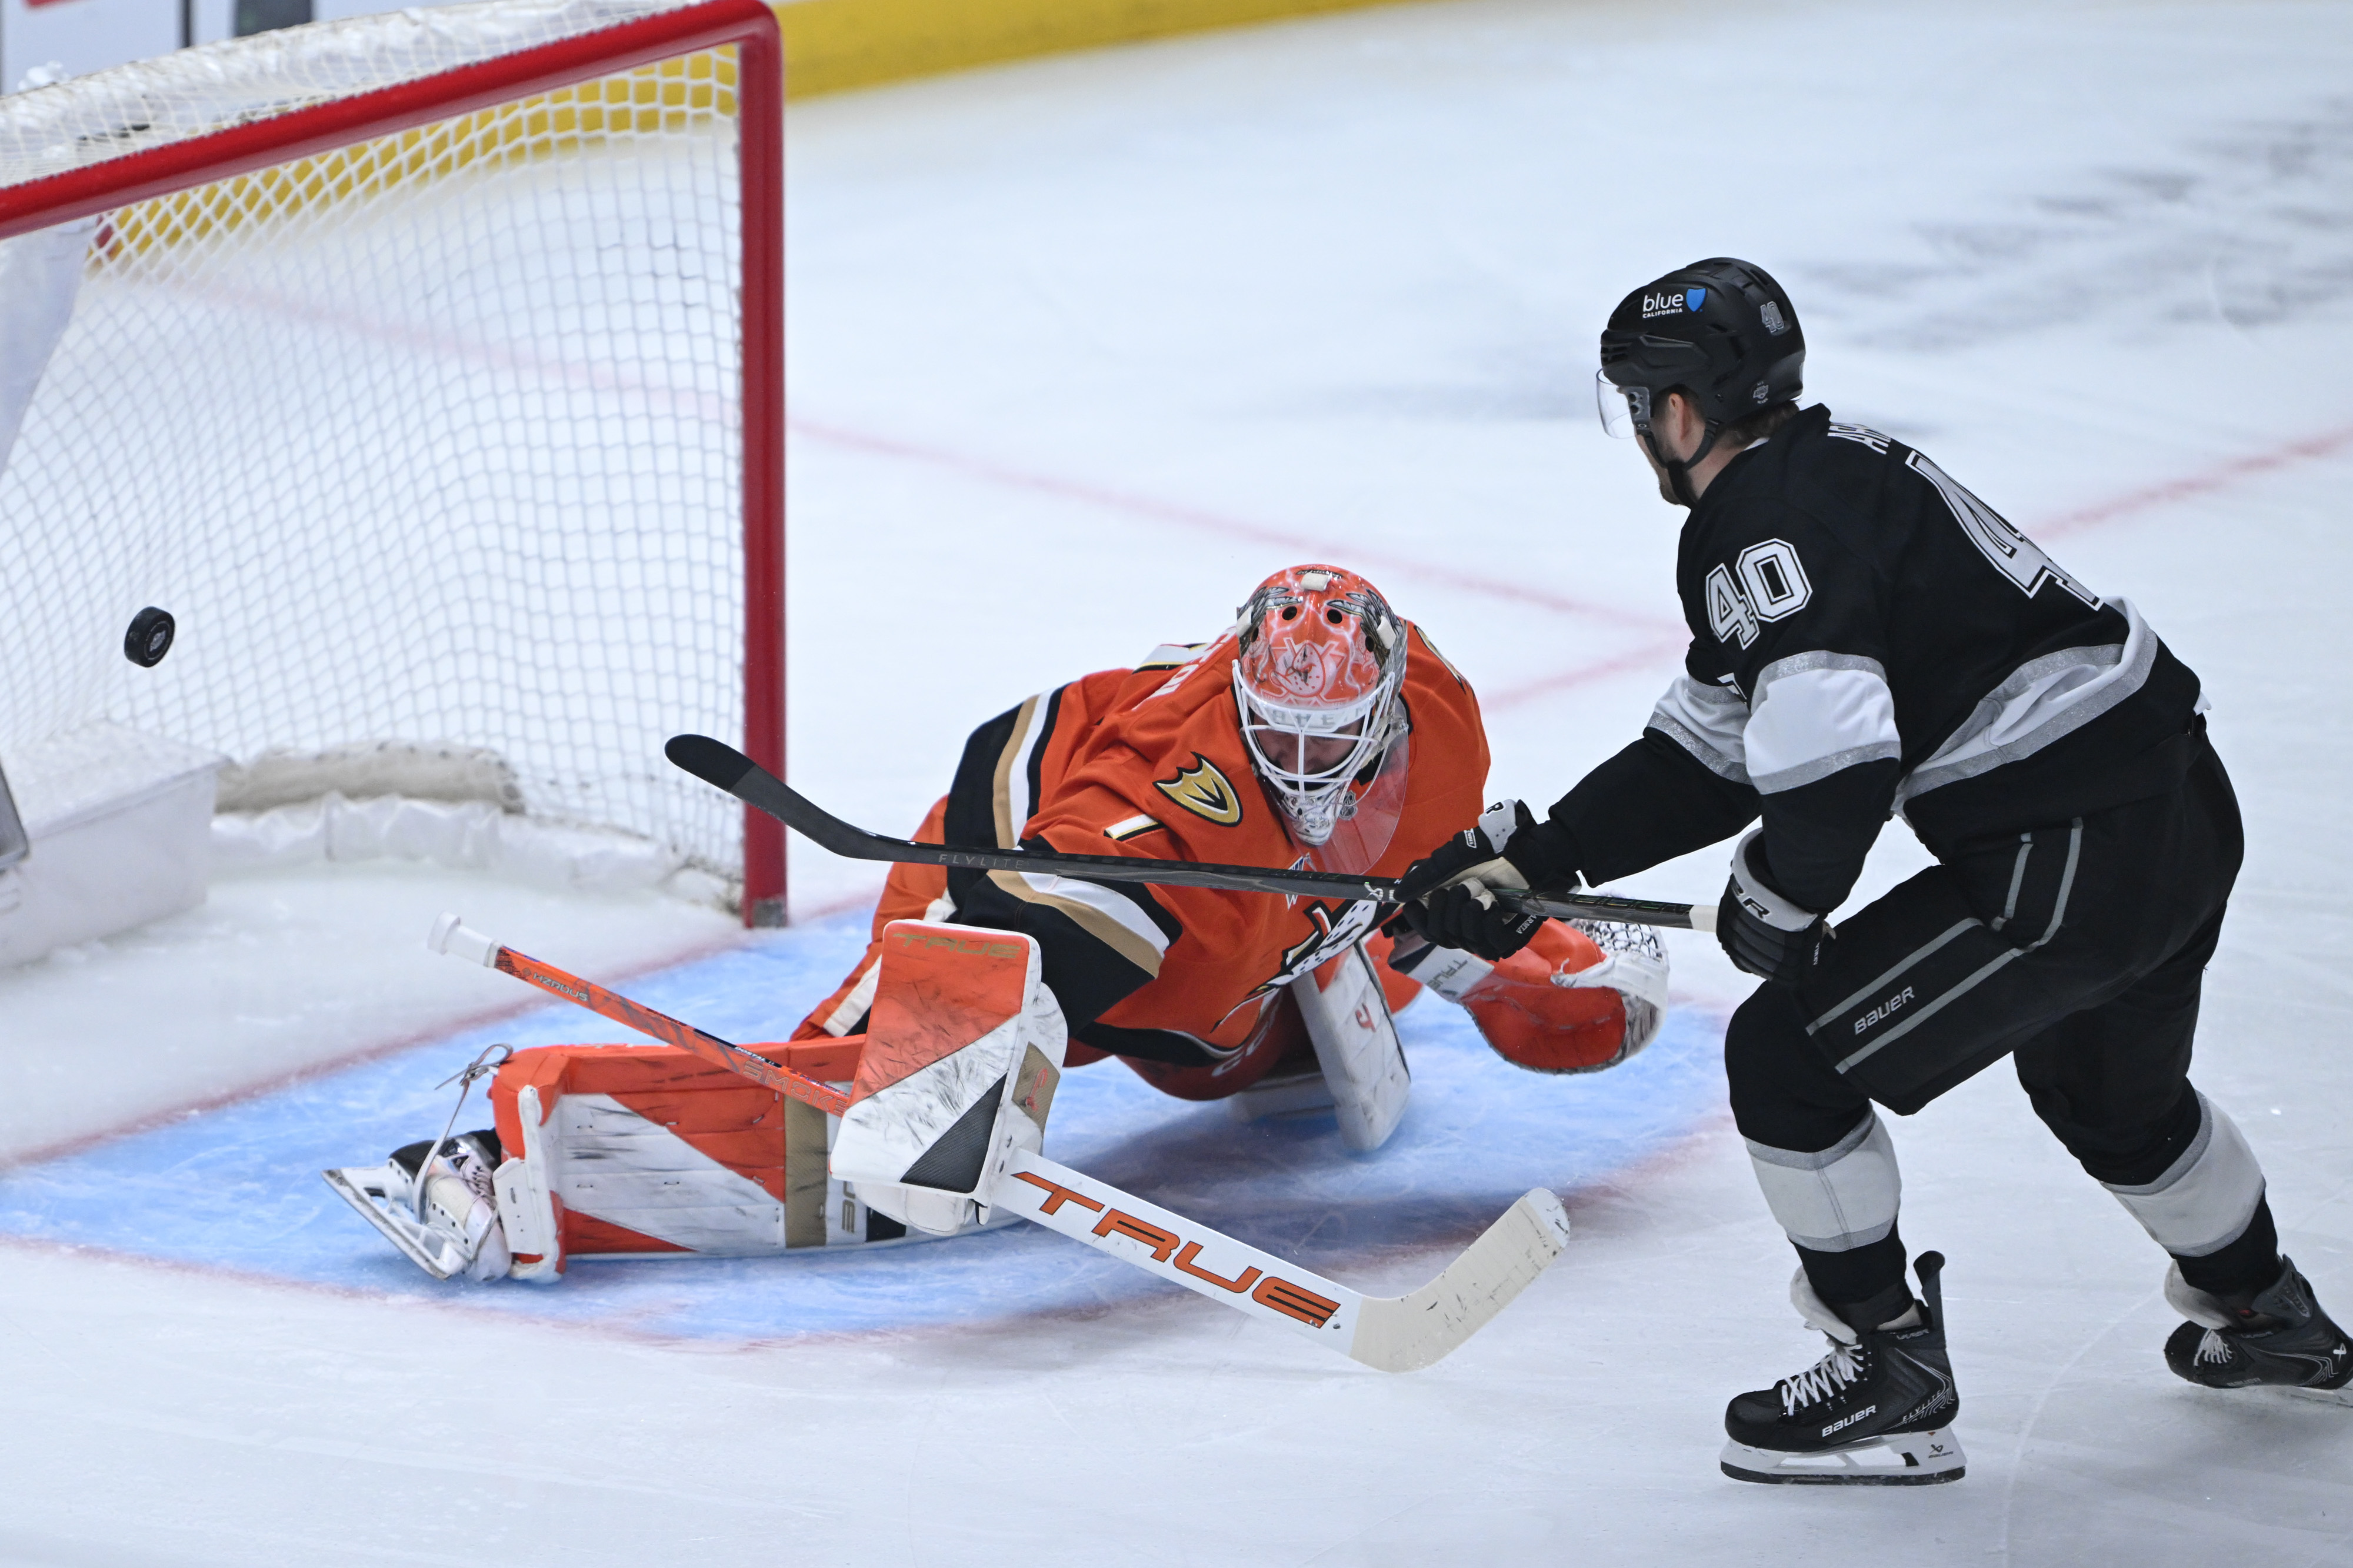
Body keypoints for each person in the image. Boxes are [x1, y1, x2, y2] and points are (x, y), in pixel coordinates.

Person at [1398, 258, 2348, 1486]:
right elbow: (1712, 749)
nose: (1638, 431)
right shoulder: (1835, 465)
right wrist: (1532, 859)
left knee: (1787, 1060)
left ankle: (1885, 1368)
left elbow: (1836, 765)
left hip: (2062, 853)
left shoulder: (1754, 528)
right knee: (2111, 1099)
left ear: (1678, 411)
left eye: (1640, 403)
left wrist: (1778, 900)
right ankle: (2267, 1315)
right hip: (2172, 808)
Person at [329, 565, 1668, 1281]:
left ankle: (1300, 1007)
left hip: (1234, 977)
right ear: (1243, 709)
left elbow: (1445, 847)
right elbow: (1023, 921)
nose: (1311, 776)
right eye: (1279, 742)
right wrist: (966, 1043)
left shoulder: (1437, 722)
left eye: (1337, 746)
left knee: (1594, 1001)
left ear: (1383, 709)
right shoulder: (1161, 814)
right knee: (896, 1147)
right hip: (1027, 872)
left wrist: (1470, 922)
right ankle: (509, 1148)